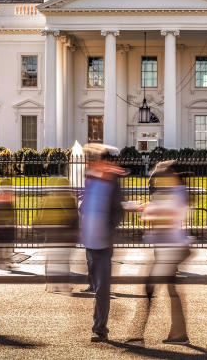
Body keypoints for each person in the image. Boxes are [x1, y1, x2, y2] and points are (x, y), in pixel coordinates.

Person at [126, 161, 192, 345]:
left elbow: (168, 216)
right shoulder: (174, 192)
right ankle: (179, 334)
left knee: (149, 288)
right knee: (170, 291)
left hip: (171, 250)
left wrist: (147, 212)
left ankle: (137, 335)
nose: (159, 180)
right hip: (169, 249)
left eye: (162, 176)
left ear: (173, 176)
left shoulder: (178, 193)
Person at [79, 144, 125, 342]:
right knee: (96, 285)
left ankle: (100, 327)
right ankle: (99, 322)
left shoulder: (113, 183)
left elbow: (118, 211)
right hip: (89, 241)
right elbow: (84, 205)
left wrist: (108, 228)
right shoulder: (90, 180)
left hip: (104, 242)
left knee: (102, 287)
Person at [35, 176, 79, 293]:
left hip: (50, 234)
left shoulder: (48, 199)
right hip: (65, 235)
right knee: (63, 260)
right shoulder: (70, 199)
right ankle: (63, 284)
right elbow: (74, 219)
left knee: (50, 260)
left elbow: (41, 217)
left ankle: (50, 284)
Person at [0, 178, 19, 271]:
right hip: (3, 225)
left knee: (4, 244)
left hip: (3, 224)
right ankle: (3, 263)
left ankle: (5, 262)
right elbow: (2, 212)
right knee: (4, 244)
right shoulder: (2, 196)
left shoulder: (4, 195)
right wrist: (8, 221)